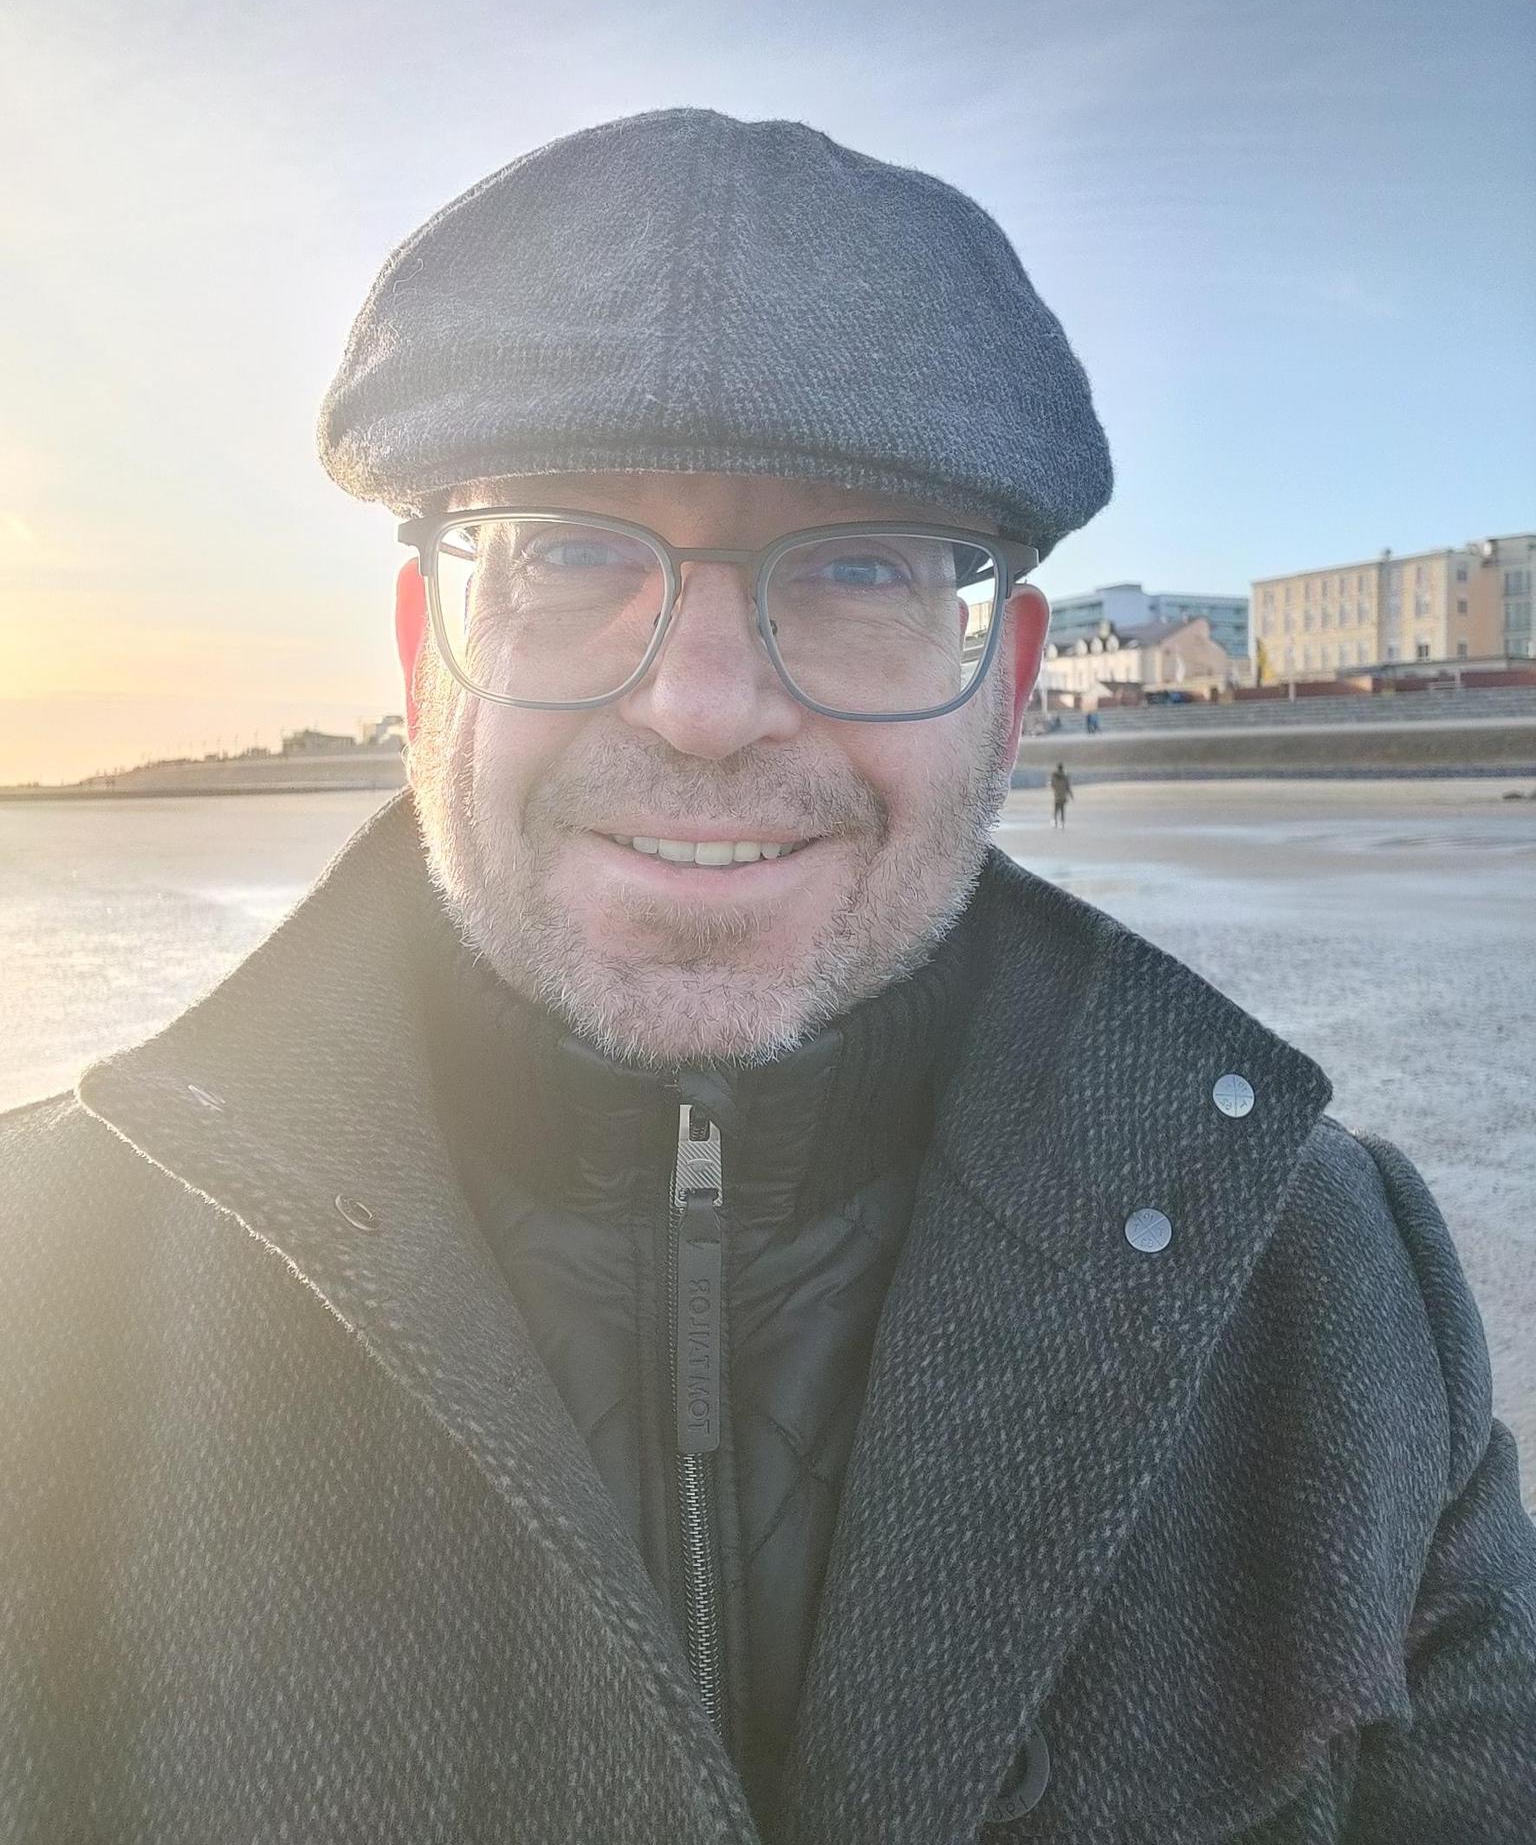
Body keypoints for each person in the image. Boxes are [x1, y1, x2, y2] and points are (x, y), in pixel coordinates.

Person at [3, 109, 1533, 1845]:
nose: (704, 707)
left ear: (1009, 689)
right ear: (427, 662)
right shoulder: (39, 1299)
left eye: (861, 565)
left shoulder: (1326, 1295)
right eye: (569, 554)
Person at [1050, 761, 1073, 827]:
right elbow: (1068, 787)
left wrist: (1055, 789)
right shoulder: (1065, 777)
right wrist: (1071, 795)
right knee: (1062, 810)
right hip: (1063, 796)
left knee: (1056, 810)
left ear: (1058, 768)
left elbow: (1052, 785)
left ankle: (1055, 822)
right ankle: (1062, 823)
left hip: (1057, 796)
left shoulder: (1054, 776)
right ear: (1062, 768)